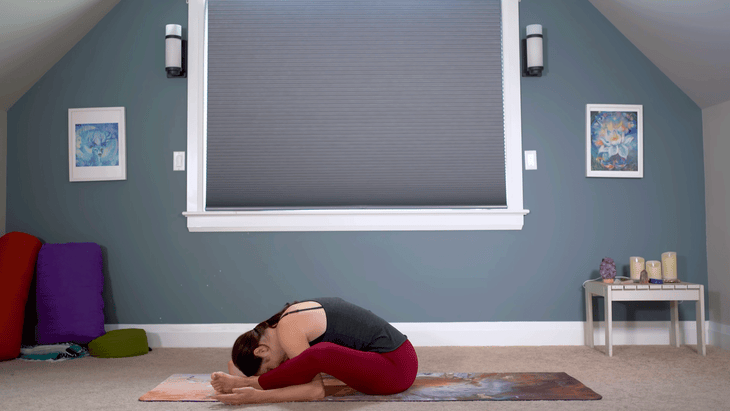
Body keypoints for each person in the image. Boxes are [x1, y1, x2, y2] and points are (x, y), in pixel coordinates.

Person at [210, 297, 418, 405]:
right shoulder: (288, 317)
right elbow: (234, 366)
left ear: (261, 350)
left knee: (319, 353)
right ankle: (249, 380)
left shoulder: (288, 329)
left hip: (396, 371)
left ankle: (251, 382)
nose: (280, 368)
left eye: (271, 368)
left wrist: (255, 394)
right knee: (311, 359)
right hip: (395, 361)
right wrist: (235, 378)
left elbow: (315, 390)